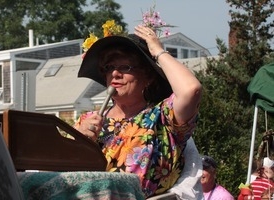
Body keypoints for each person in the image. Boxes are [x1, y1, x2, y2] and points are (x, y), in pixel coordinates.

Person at [74, 23, 202, 198]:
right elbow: (55, 171)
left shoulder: (163, 118)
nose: (115, 74)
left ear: (148, 76)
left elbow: (191, 89)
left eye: (125, 68)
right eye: (109, 68)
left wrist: (157, 51)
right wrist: (76, 142)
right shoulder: (87, 121)